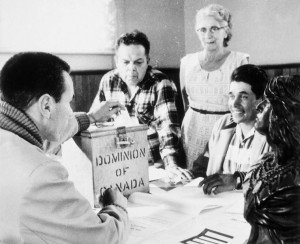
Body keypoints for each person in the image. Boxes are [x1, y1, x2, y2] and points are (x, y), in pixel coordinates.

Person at [0, 52, 130, 244]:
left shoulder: (11, 134)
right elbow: (103, 238)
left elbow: (50, 134)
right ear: (46, 106)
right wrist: (117, 205)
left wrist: (91, 118)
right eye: (69, 101)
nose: (70, 110)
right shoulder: (40, 173)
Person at [90, 30, 191, 181]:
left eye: (138, 62)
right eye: (125, 62)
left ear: (148, 60)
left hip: (155, 166)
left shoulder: (161, 84)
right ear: (116, 61)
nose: (131, 69)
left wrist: (171, 166)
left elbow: (168, 129)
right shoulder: (108, 81)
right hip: (119, 164)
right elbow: (96, 123)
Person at [180, 4, 250, 169]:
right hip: (192, 130)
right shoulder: (187, 62)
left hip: (226, 129)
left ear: (226, 30)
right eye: (202, 30)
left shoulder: (239, 61)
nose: (208, 35)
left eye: (214, 28)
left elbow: (247, 104)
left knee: (219, 179)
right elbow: (185, 100)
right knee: (192, 180)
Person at [192, 64, 272, 194]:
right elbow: (204, 161)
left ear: (261, 100)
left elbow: (273, 177)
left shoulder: (273, 133)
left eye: (243, 97)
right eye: (231, 96)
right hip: (217, 204)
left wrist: (237, 179)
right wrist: (187, 174)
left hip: (252, 207)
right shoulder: (223, 124)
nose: (234, 104)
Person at [244, 75, 300, 244]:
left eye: (268, 100)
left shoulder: (296, 180)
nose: (259, 105)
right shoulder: (266, 161)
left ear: (284, 112)